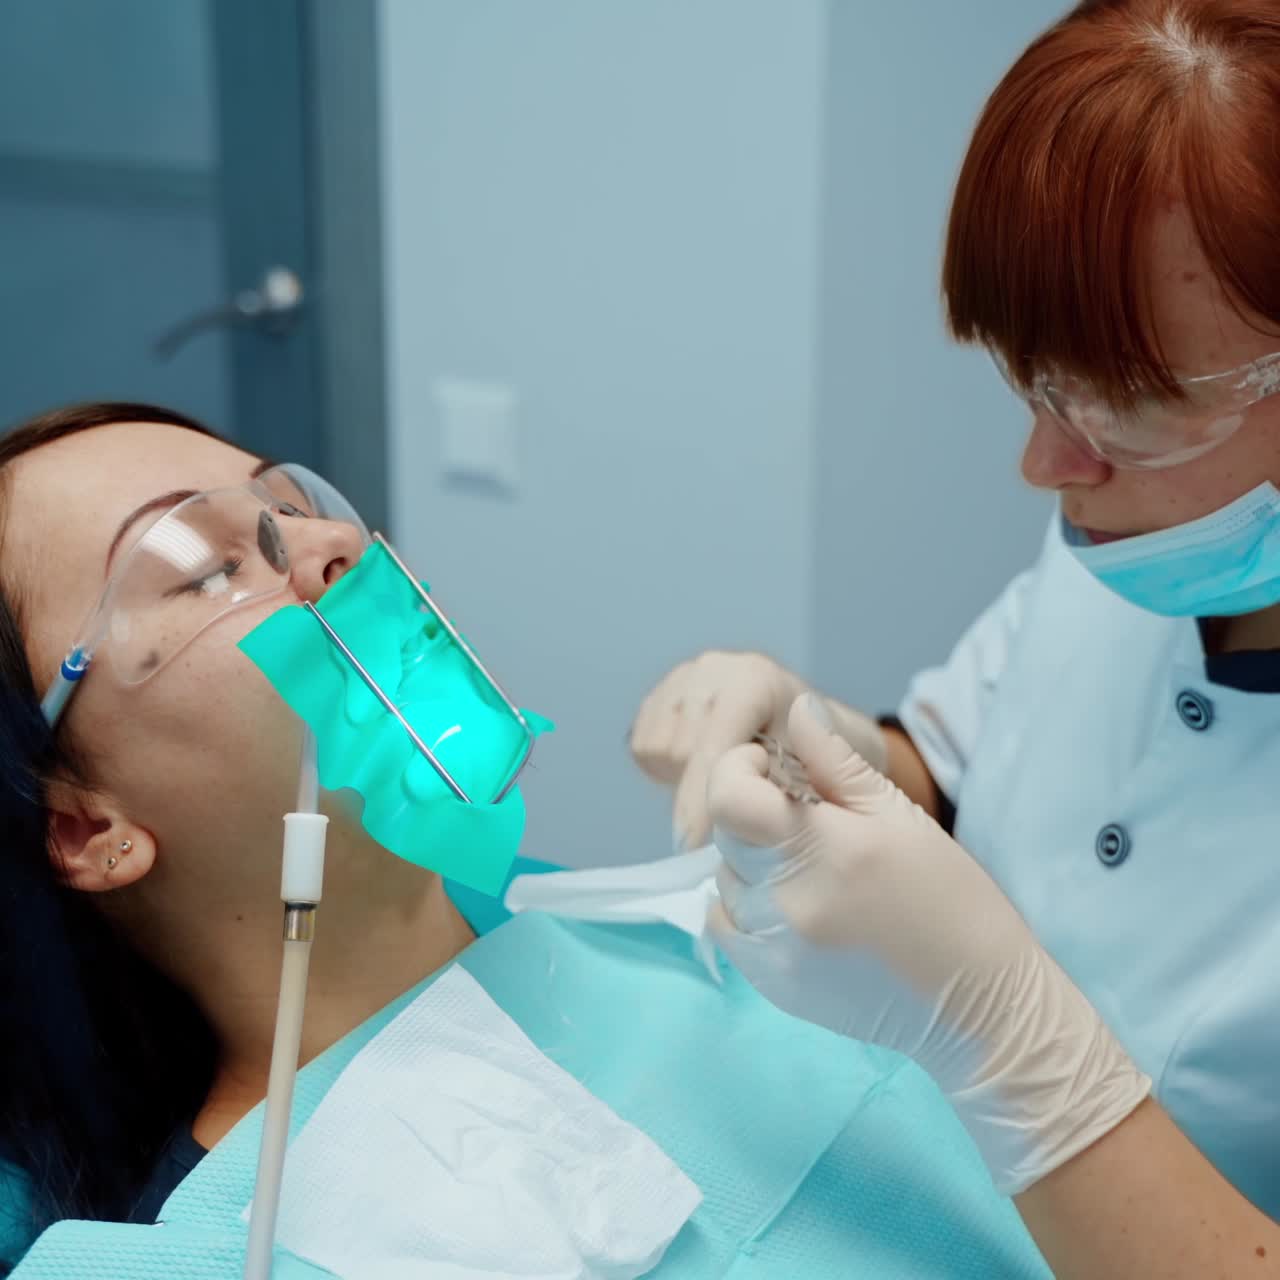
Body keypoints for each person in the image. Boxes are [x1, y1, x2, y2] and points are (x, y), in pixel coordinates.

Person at [0, 402, 1054, 1277]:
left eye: (293, 505)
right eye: (202, 565)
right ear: (87, 826)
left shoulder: (695, 936)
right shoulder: (202, 1251)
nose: (331, 548)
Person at [632, 2, 1280, 1276]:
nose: (1045, 461)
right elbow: (953, 762)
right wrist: (811, 740)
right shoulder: (1139, 535)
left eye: (1126, 400)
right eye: (1035, 382)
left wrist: (1026, 1054)